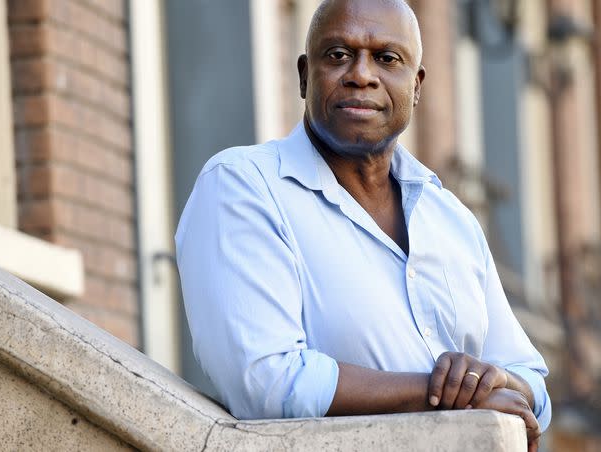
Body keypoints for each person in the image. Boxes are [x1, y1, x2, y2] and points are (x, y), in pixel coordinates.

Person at [175, 0, 551, 449]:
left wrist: (495, 380)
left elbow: (535, 388)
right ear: (303, 76)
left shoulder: (452, 219)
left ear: (416, 86)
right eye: (338, 55)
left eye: (387, 58)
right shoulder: (244, 187)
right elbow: (267, 382)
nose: (361, 74)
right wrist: (449, 395)